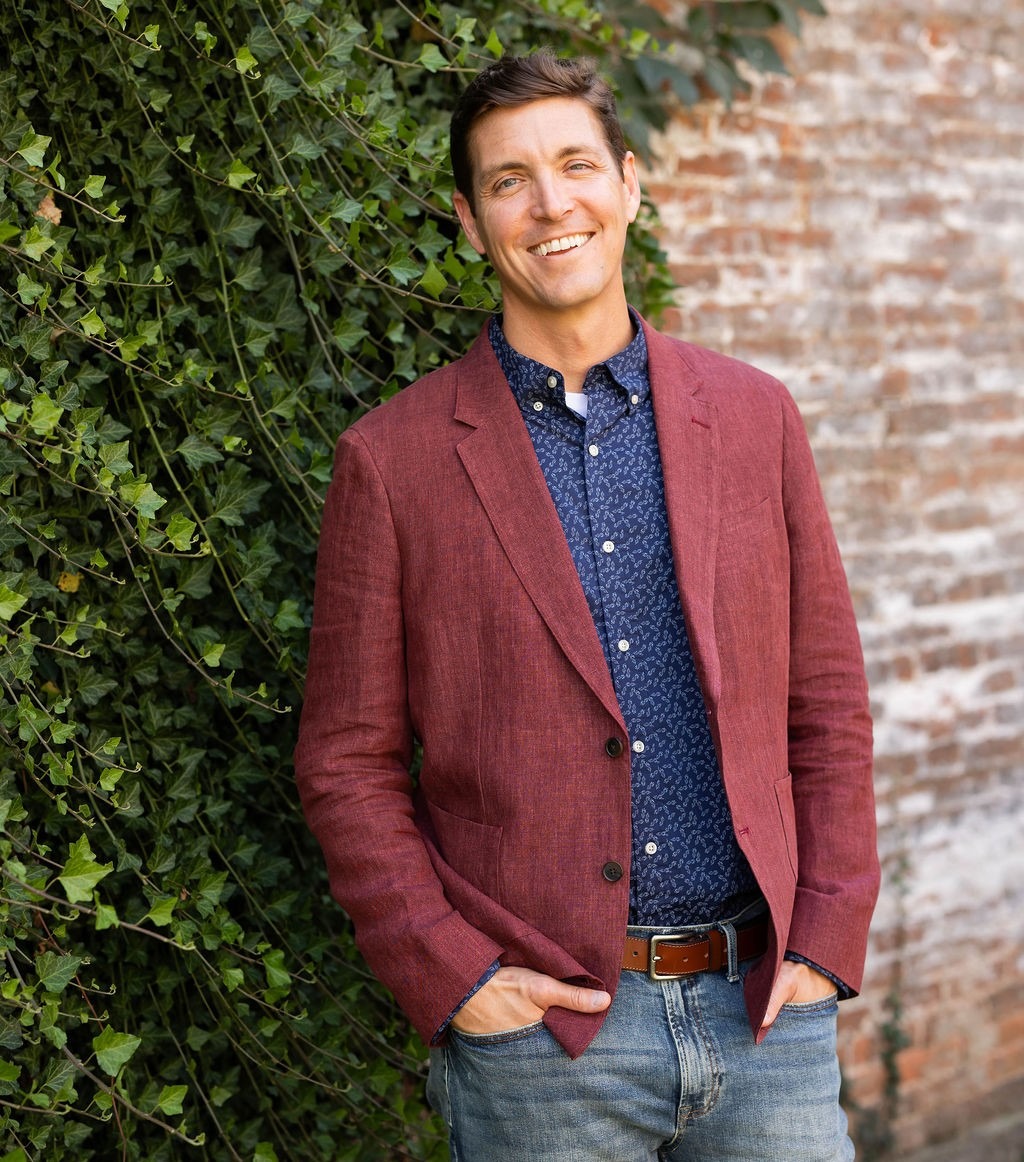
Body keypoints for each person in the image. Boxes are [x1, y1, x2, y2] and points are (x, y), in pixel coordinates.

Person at [294, 51, 879, 1161]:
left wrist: (825, 938)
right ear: (470, 221)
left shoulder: (756, 419)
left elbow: (827, 700)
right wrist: (450, 973)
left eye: (574, 165)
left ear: (628, 184)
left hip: (767, 1012)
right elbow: (345, 759)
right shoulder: (392, 462)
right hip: (545, 1044)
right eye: (510, 180)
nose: (550, 201)